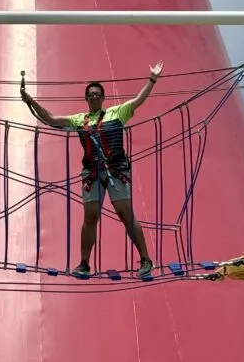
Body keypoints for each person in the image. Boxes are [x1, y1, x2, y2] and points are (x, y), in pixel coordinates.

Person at [21, 62, 163, 279]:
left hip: (116, 171)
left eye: (98, 94)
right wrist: (30, 102)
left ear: (103, 98)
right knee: (90, 216)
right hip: (92, 174)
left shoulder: (118, 113)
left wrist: (152, 80)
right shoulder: (79, 120)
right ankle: (84, 263)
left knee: (125, 214)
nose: (94, 97)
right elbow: (50, 119)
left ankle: (145, 259)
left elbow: (138, 101)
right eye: (91, 95)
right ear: (86, 99)